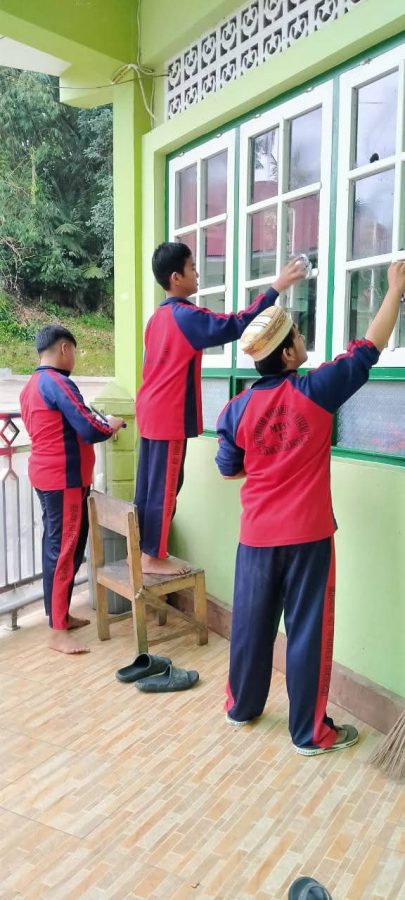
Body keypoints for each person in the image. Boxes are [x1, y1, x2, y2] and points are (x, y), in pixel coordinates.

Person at [215, 261, 405, 754]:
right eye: (297, 335)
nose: (302, 339)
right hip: (309, 537)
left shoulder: (234, 410)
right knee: (307, 633)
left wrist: (268, 461)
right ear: (286, 354)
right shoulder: (317, 392)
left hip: (256, 538)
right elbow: (369, 349)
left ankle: (241, 708)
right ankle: (310, 733)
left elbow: (229, 470)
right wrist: (395, 290)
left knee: (251, 626)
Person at [135, 241, 306, 576]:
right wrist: (276, 287)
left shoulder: (157, 318)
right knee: (167, 485)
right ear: (175, 277)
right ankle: (153, 556)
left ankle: (141, 550)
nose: (197, 273)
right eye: (192, 267)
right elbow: (237, 324)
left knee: (149, 485)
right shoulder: (186, 316)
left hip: (150, 411)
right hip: (168, 415)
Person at [20, 325, 125, 655]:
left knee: (58, 547)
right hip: (63, 480)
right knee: (65, 550)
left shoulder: (31, 385)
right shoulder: (58, 383)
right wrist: (111, 425)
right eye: (75, 351)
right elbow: (89, 428)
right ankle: (57, 632)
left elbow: (63, 425)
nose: (75, 358)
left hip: (47, 476)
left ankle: (59, 615)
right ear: (64, 348)